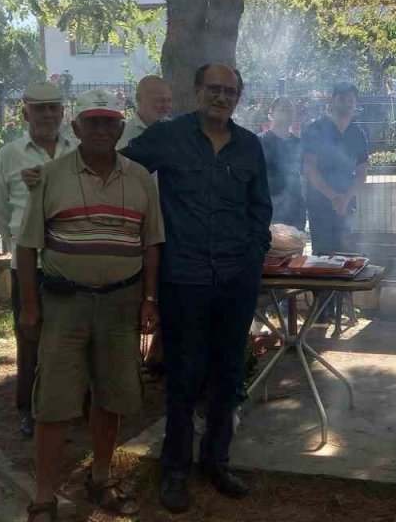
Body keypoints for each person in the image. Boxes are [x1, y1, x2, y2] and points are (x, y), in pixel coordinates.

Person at [122, 64, 272, 514]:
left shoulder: (249, 146)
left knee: (228, 375)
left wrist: (251, 258)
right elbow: (120, 165)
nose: (221, 97)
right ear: (197, 90)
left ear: (238, 98)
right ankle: (174, 470)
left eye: (230, 91)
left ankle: (216, 460)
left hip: (235, 280)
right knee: (184, 377)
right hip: (183, 278)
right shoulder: (169, 137)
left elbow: (259, 209)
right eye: (213, 89)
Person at [16, 89, 165, 521]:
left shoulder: (139, 178)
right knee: (53, 402)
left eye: (110, 122)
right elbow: (27, 247)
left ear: (121, 128)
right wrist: (30, 307)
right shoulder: (50, 175)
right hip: (65, 304)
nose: (102, 129)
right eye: (93, 122)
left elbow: (151, 243)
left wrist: (149, 300)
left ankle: (100, 479)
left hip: (122, 304)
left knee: (111, 396)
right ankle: (43, 496)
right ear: (76, 128)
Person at [0, 82, 75, 438]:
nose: (49, 115)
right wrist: (22, 240)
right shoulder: (9, 156)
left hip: (71, 264)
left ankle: (65, 406)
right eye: (41, 109)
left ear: (63, 112)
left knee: (69, 340)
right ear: (25, 113)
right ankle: (28, 409)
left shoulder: (77, 150)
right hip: (30, 268)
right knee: (30, 338)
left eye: (54, 107)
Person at [302, 83, 369, 255]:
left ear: (356, 104)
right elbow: (310, 168)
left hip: (347, 206)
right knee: (322, 258)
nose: (346, 103)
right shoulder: (315, 129)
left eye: (350, 100)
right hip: (319, 205)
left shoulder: (358, 134)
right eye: (341, 99)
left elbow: (362, 173)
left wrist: (345, 199)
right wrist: (333, 197)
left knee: (346, 256)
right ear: (332, 101)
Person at [259, 96, 306, 229]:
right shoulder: (260, 142)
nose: (286, 114)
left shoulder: (299, 144)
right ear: (271, 113)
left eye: (290, 110)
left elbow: (306, 174)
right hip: (268, 210)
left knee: (294, 248)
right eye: (282, 110)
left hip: (295, 211)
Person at [118, 74, 174, 150]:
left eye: (169, 100)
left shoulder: (177, 132)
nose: (166, 106)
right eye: (159, 100)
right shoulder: (122, 136)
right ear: (139, 100)